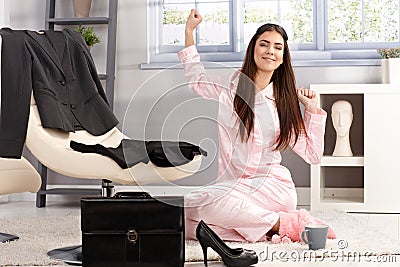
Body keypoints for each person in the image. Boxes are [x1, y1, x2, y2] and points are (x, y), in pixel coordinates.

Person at [179, 9, 336, 243]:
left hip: (272, 189)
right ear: (254, 48)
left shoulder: (285, 101)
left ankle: (282, 223)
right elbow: (197, 81)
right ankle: (275, 226)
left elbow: (313, 155)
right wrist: (189, 32)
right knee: (186, 216)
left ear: (283, 57)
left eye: (277, 47)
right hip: (232, 186)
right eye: (264, 44)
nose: (270, 51)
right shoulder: (231, 85)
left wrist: (312, 110)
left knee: (205, 206)